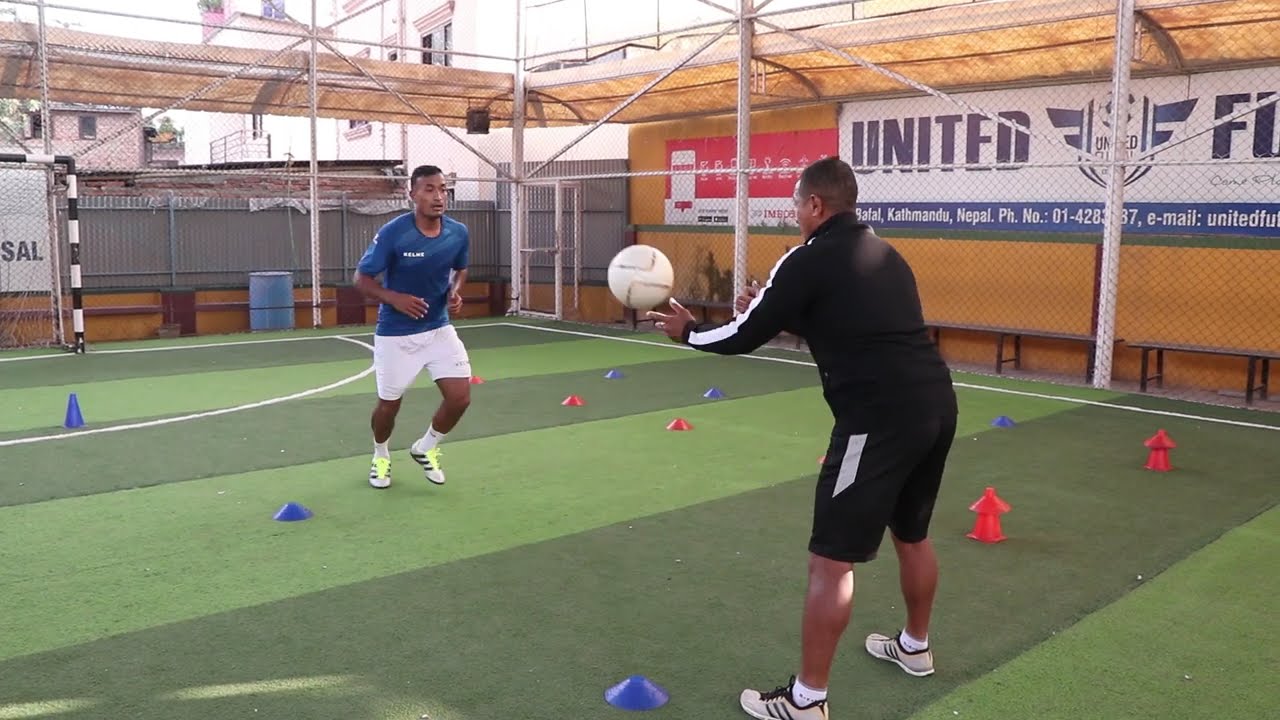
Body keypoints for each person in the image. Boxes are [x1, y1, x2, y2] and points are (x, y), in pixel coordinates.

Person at [647, 156, 958, 720]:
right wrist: (775, 313)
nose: (794, 215)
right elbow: (849, 320)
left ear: (816, 205)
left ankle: (806, 700)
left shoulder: (809, 257)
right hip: (935, 402)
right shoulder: (887, 255)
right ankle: (915, 647)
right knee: (911, 534)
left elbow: (743, 335)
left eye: (796, 204)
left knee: (830, 561)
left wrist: (688, 332)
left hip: (877, 419)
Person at [353, 164, 473, 490]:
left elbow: (460, 268)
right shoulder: (394, 232)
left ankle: (426, 446)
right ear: (413, 195)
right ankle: (380, 455)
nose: (438, 196)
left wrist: (455, 290)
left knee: (460, 398)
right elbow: (361, 279)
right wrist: (394, 298)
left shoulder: (457, 232)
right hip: (396, 335)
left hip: (439, 330)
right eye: (430, 189)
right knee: (389, 406)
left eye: (443, 189)